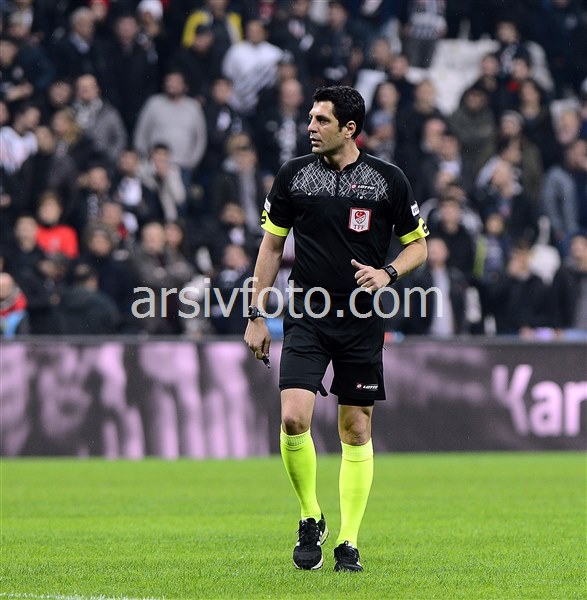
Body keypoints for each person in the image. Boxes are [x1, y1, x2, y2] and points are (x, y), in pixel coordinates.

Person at [244, 85, 428, 572]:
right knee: (292, 419)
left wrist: (388, 273)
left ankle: (349, 541)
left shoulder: (388, 180)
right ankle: (311, 516)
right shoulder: (294, 176)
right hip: (307, 312)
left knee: (356, 427)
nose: (310, 127)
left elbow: (418, 246)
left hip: (362, 320)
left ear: (349, 129)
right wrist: (255, 314)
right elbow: (270, 247)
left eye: (321, 120)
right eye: (310, 118)